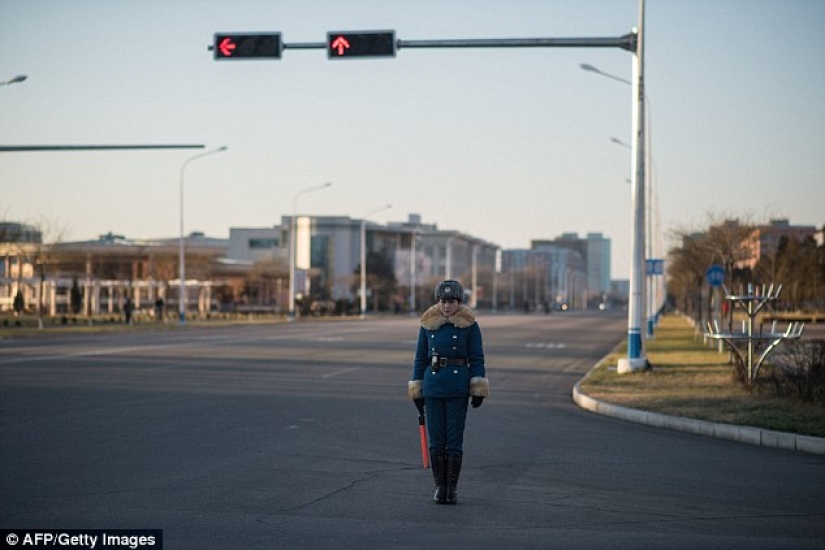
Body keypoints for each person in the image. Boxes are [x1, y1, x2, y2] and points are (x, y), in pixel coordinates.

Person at [408, 279, 489, 504]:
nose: (446, 306)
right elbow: (420, 359)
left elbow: (477, 358)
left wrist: (478, 388)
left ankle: (451, 487)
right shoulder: (427, 324)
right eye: (443, 301)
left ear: (458, 302)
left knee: (453, 440)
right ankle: (439, 486)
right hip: (433, 386)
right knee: (436, 440)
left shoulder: (469, 325)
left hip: (457, 387)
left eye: (451, 301)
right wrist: (417, 389)